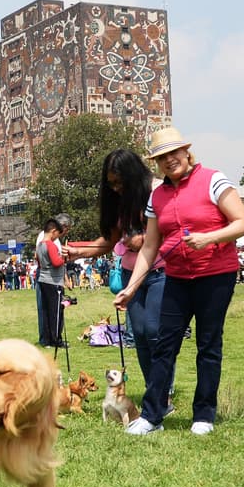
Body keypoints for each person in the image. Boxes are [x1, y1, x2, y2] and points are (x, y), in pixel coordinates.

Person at [114, 127, 244, 435]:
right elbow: (149, 247)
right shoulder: (157, 197)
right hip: (176, 278)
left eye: (173, 153)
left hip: (215, 275)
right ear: (157, 164)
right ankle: (152, 416)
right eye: (161, 158)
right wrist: (131, 288)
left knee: (208, 345)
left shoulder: (213, 180)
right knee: (164, 346)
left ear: (186, 152)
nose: (169, 161)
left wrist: (209, 238)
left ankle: (203, 416)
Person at [64, 149, 174, 402]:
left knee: (155, 331)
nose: (115, 189)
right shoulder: (118, 201)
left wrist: (145, 239)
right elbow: (110, 240)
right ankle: (155, 390)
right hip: (129, 274)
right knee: (140, 336)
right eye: (111, 183)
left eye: (119, 182)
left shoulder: (159, 191)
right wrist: (78, 252)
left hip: (161, 271)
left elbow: (173, 230)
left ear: (134, 176)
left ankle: (163, 390)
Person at [35, 219, 67, 348]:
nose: (57, 238)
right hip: (53, 281)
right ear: (53, 231)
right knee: (56, 312)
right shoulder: (51, 245)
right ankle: (56, 340)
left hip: (43, 279)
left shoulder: (39, 245)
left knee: (46, 311)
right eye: (57, 235)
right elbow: (56, 262)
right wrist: (64, 257)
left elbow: (38, 261)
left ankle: (47, 339)